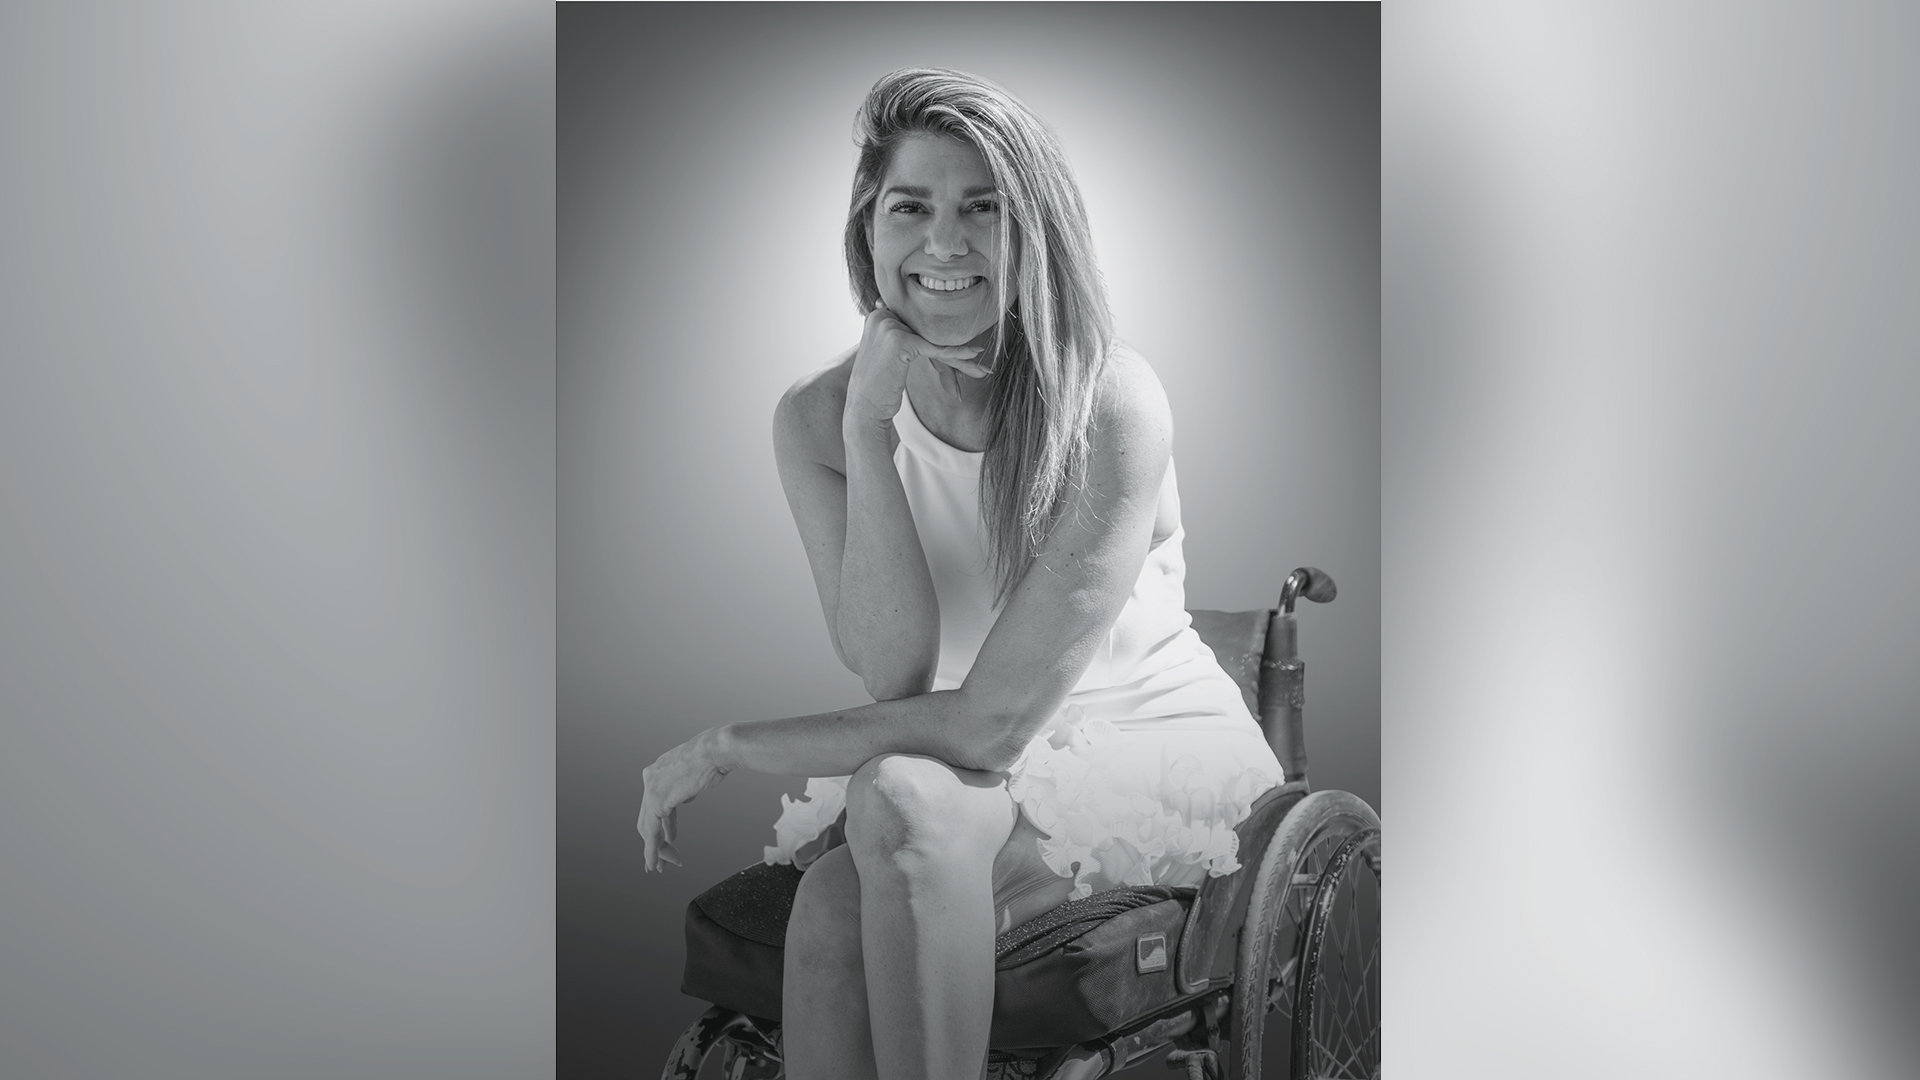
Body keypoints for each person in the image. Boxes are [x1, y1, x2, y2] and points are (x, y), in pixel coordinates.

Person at [636, 67, 1283, 1079]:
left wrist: (730, 744)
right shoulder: (816, 418)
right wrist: (869, 431)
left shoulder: (1109, 401)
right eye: (911, 207)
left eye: (984, 209)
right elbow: (893, 671)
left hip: (1140, 750)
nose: (944, 244)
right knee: (837, 892)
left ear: (1036, 233)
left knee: (894, 802)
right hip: (957, 769)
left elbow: (991, 725)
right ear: (867, 229)